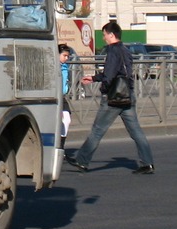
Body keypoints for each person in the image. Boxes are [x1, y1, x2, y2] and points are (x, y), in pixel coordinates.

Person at [66, 21, 155, 174]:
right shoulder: (126, 50)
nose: (104, 38)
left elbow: (110, 74)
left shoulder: (112, 51)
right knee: (136, 131)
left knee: (97, 130)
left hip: (114, 97)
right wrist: (94, 78)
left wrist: (104, 88)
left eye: (105, 34)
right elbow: (121, 72)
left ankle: (82, 160)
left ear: (111, 35)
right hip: (128, 94)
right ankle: (148, 163)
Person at [58, 44, 72, 149]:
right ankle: (58, 146)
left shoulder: (65, 66)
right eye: (64, 55)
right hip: (56, 97)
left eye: (68, 56)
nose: (66, 58)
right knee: (61, 121)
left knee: (66, 119)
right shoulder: (54, 66)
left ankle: (61, 146)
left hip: (63, 97)